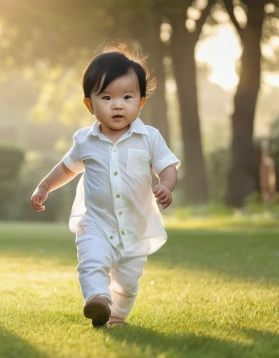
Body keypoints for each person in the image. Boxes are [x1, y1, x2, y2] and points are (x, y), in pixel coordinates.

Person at [30, 44, 181, 328]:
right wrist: (44, 186)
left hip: (134, 228)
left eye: (127, 96)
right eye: (107, 97)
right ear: (90, 105)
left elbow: (167, 165)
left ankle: (116, 315)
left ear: (141, 102)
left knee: (128, 282)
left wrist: (167, 185)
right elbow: (66, 168)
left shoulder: (149, 137)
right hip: (96, 222)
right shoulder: (85, 140)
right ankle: (97, 298)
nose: (117, 104)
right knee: (92, 262)